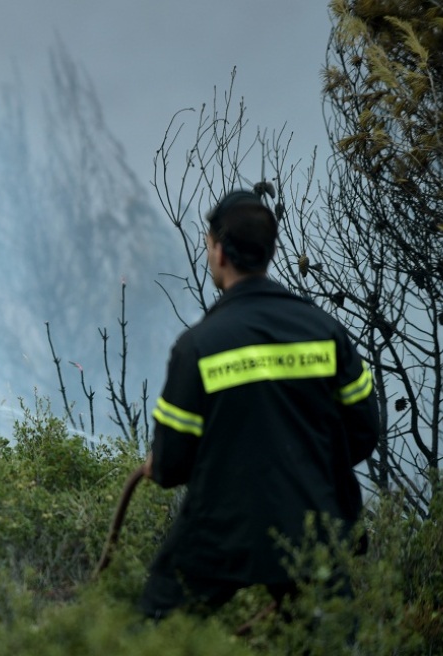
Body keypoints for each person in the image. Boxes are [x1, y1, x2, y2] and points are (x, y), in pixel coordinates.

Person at [139, 189, 381, 620]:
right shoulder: (326, 332)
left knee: (159, 623)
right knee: (327, 638)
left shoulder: (198, 347)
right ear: (270, 251)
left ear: (218, 252)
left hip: (222, 530)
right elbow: (363, 431)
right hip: (313, 522)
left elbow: (170, 463)